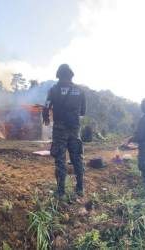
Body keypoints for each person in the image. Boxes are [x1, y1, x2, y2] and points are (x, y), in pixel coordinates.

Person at [42, 64, 86, 198]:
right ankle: (80, 188)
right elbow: (83, 112)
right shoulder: (79, 90)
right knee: (77, 158)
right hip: (74, 129)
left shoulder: (54, 90)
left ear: (58, 75)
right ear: (71, 75)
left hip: (59, 129)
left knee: (60, 160)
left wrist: (46, 118)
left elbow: (46, 107)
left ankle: (61, 192)